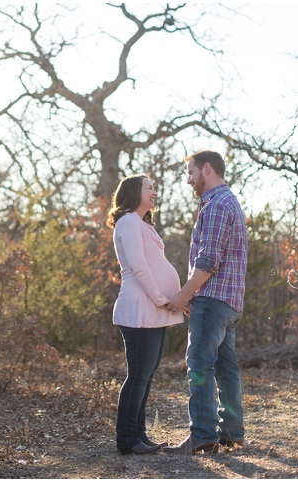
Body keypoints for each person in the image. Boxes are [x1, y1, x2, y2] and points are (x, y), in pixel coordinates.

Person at [162, 150, 248, 455]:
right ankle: (231, 433)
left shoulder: (214, 206)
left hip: (212, 300)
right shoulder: (231, 202)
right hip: (230, 303)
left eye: (190, 173)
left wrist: (185, 294)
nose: (188, 180)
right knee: (226, 369)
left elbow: (208, 261)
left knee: (199, 364)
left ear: (207, 169)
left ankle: (202, 434)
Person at [107, 174, 185, 455]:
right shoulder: (127, 221)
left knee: (146, 375)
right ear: (133, 192)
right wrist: (161, 299)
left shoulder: (141, 223)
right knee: (138, 375)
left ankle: (138, 435)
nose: (154, 192)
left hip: (153, 311)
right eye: (149, 188)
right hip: (139, 309)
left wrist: (167, 300)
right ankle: (127, 440)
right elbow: (139, 267)